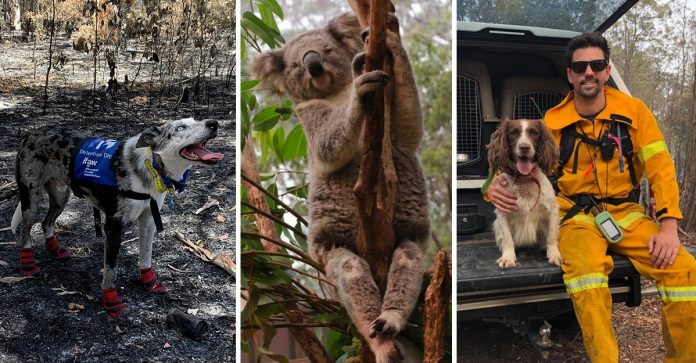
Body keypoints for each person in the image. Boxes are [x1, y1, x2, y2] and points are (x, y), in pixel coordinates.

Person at [487, 32, 696, 362]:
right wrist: (493, 189)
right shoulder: (551, 123)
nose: (588, 72)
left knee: (685, 271)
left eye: (596, 65)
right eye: (580, 66)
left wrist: (669, 227)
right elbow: (513, 167)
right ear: (569, 74)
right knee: (586, 278)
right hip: (576, 219)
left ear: (606, 70)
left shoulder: (635, 112)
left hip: (628, 215)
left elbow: (660, 167)